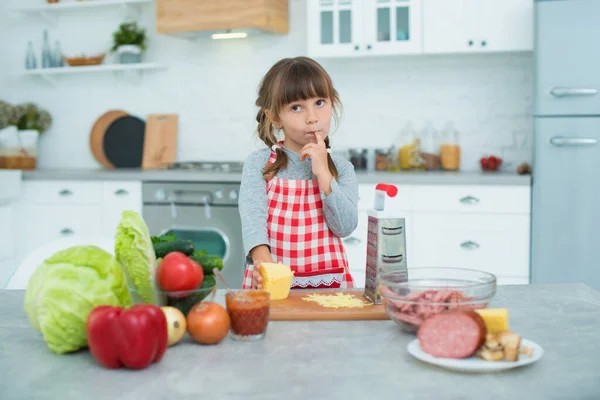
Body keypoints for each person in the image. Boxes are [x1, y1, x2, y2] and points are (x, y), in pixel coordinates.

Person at [238, 56, 359, 290]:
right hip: (271, 287)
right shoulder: (259, 165)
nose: (312, 117)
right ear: (275, 117)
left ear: (332, 103)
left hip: (329, 288)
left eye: (320, 102)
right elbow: (253, 221)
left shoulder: (342, 169)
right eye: (296, 107)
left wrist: (324, 174)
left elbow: (344, 227)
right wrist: (264, 267)